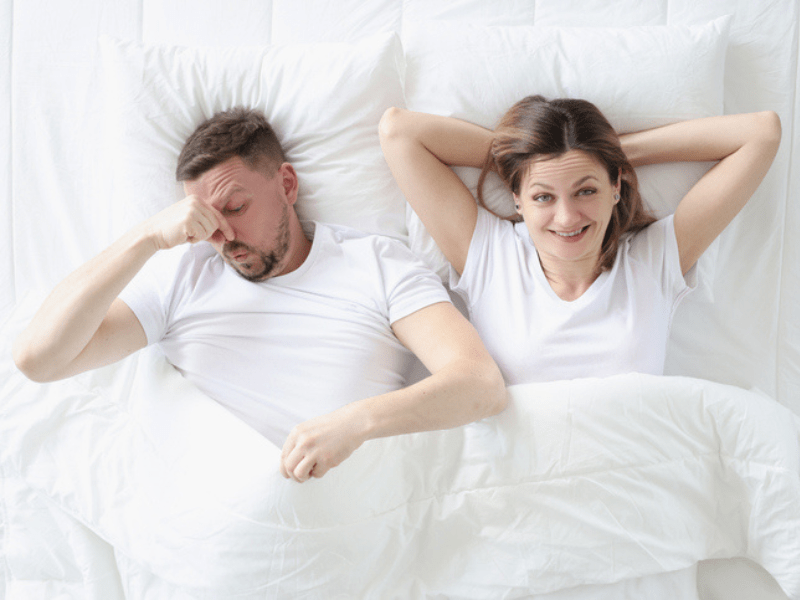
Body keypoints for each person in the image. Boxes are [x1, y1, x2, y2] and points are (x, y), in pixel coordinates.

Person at [12, 107, 507, 483]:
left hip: (333, 519)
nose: (223, 235)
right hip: (204, 512)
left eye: (236, 206)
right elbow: (40, 359)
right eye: (204, 219)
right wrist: (144, 238)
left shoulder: (375, 264)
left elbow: (479, 383)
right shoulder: (182, 275)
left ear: (286, 184)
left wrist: (355, 424)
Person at [379, 96, 781, 384]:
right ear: (517, 199)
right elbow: (399, 130)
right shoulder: (489, 253)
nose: (567, 217)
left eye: (586, 190)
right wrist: (529, 154)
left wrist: (609, 153)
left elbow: (762, 133)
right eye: (543, 196)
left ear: (616, 187)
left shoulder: (654, 258)